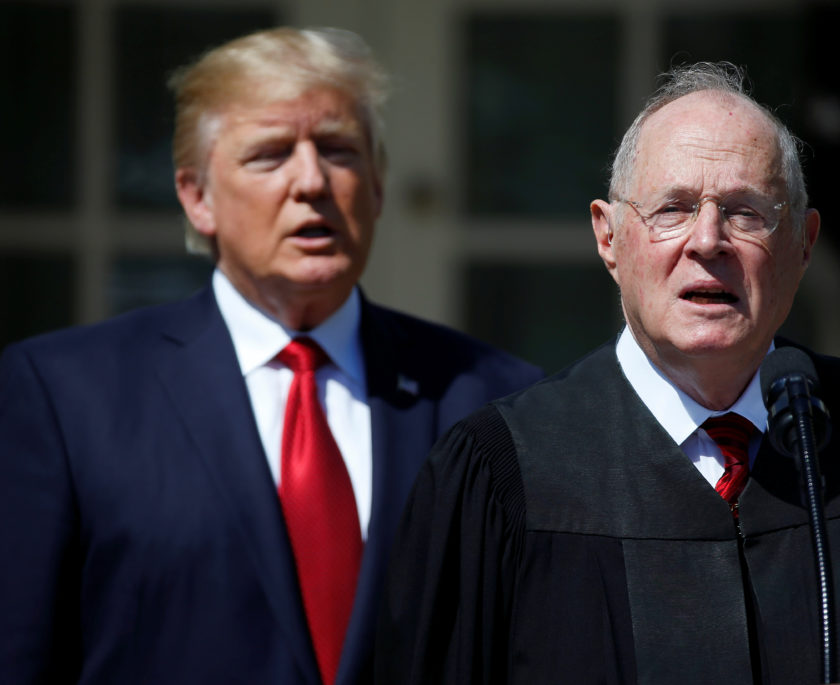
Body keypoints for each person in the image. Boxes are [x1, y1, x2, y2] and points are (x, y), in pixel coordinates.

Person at [375, 62, 840, 684]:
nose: (708, 241)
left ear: (803, 243)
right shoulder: (500, 472)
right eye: (673, 209)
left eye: (746, 212)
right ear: (608, 238)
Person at [0, 27, 542, 685]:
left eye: (339, 151)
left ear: (376, 187)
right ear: (197, 196)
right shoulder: (64, 395)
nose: (312, 180)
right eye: (270, 154)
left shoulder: (493, 399)